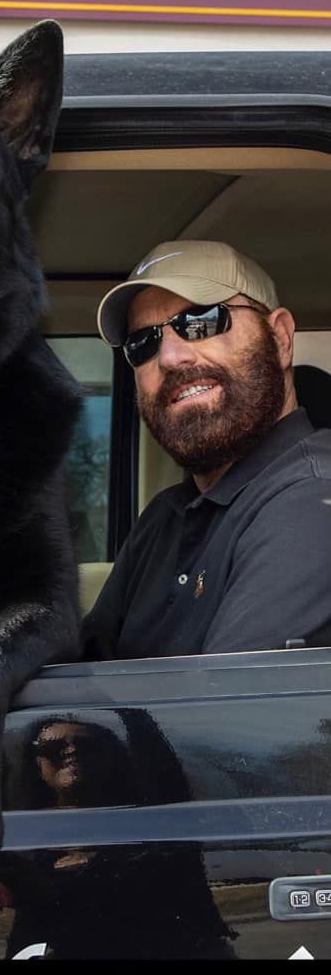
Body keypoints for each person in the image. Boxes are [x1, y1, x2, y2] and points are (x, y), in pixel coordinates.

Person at [82, 239, 331, 660]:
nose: (169, 356)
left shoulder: (313, 501)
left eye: (201, 320)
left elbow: (228, 718)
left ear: (281, 337)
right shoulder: (166, 516)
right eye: (143, 343)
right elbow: (82, 669)